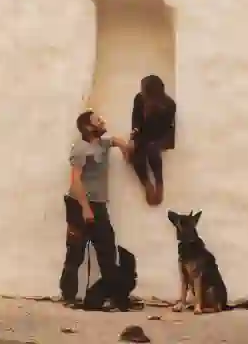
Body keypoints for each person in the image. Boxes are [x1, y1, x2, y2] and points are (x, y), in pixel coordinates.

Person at [60, 110, 131, 310]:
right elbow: (75, 182)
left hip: (98, 205)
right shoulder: (81, 149)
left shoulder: (101, 143)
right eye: (98, 120)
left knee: (107, 251)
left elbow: (115, 140)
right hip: (79, 205)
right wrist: (85, 208)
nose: (102, 121)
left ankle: (112, 296)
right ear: (89, 127)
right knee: (75, 252)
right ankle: (68, 296)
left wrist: (125, 147)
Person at [128, 75, 176, 206]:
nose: (141, 92)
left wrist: (156, 142)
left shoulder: (169, 105)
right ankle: (147, 184)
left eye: (144, 91)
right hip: (143, 133)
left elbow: (166, 128)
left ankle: (159, 182)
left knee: (152, 150)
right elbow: (136, 120)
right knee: (135, 152)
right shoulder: (139, 99)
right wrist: (134, 134)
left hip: (160, 135)